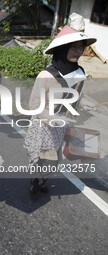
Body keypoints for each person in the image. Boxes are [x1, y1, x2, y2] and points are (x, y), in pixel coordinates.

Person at [23, 26, 96, 200]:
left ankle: (41, 181)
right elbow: (34, 104)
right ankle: (35, 182)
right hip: (44, 125)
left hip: (63, 124)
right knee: (41, 157)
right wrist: (52, 118)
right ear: (62, 49)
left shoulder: (80, 73)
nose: (78, 51)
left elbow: (78, 95)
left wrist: (83, 105)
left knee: (54, 158)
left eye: (81, 47)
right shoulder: (47, 75)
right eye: (74, 46)